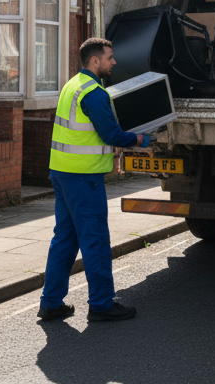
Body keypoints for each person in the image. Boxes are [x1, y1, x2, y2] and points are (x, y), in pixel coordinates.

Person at [38, 37, 152, 322]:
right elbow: (112, 135)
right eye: (110, 57)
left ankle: (51, 302)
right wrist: (141, 139)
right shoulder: (95, 93)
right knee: (95, 240)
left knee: (64, 238)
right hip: (84, 177)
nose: (114, 62)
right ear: (95, 61)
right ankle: (101, 304)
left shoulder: (72, 84)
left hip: (62, 172)